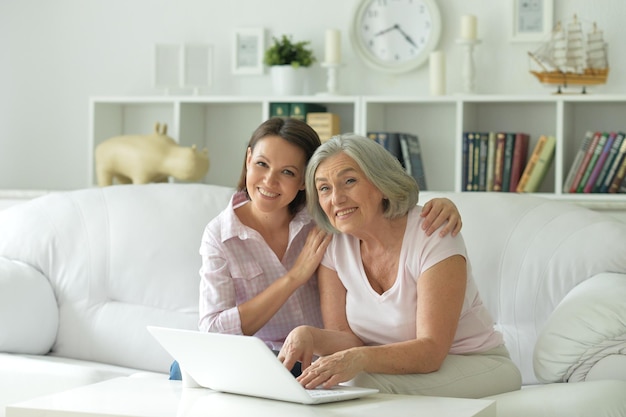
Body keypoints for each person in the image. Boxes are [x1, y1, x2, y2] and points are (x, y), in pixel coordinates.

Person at [170, 118, 463, 379]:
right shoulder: (219, 235)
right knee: (179, 368)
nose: (269, 181)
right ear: (248, 159)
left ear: (302, 181)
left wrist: (442, 204)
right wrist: (294, 277)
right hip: (258, 355)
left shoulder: (325, 219)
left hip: (318, 357)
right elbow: (212, 331)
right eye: (261, 164)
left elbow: (379, 206)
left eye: (287, 172)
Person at [278, 133, 522, 398]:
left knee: (360, 385)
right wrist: (307, 336)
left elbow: (431, 351)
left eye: (349, 181)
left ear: (381, 184)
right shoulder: (334, 246)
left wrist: (358, 359)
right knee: (344, 383)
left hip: (477, 363)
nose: (336, 198)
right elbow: (346, 339)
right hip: (392, 371)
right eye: (324, 188)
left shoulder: (432, 232)